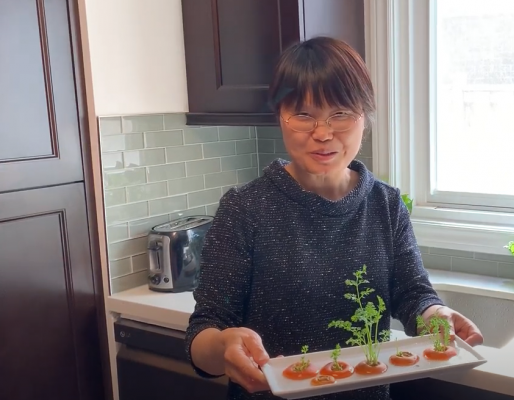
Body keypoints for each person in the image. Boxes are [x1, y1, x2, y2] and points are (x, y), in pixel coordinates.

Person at [184, 36, 483, 400]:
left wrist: (435, 313)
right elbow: (204, 331)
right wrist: (223, 346)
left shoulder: (385, 204)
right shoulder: (245, 209)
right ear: (280, 116)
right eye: (303, 115)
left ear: (365, 116)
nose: (323, 133)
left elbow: (412, 293)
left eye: (340, 114)